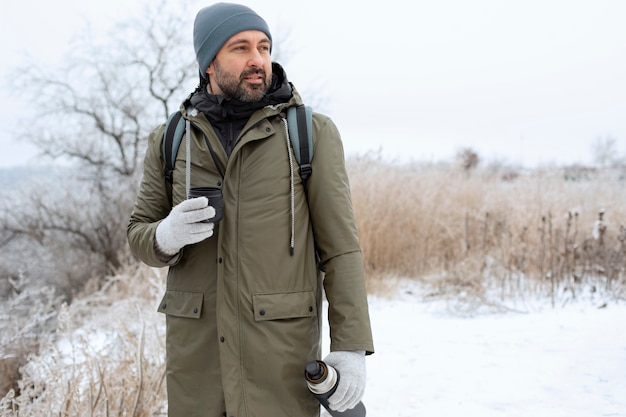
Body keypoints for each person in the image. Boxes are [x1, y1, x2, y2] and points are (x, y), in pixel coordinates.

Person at [127, 3, 374, 417]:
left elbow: (341, 249)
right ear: (209, 63)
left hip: (279, 360)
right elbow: (139, 234)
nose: (257, 60)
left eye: (263, 47)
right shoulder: (170, 139)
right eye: (240, 48)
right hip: (197, 364)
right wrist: (165, 236)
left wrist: (350, 346)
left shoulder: (309, 134)